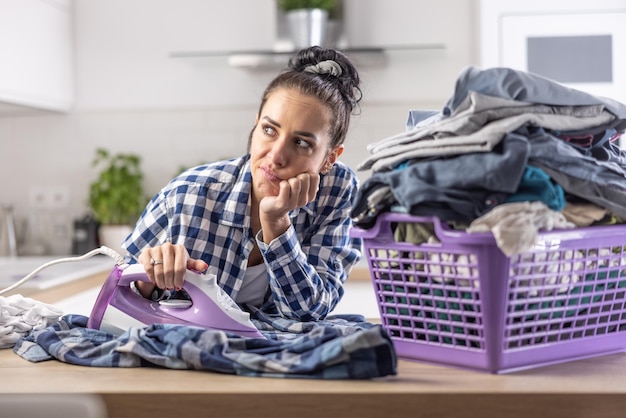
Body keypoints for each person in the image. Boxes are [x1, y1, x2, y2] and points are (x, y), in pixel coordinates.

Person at [122, 46, 364, 321]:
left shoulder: (336, 190)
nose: (276, 156)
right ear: (256, 124)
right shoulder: (184, 196)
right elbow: (117, 299)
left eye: (301, 143)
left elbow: (310, 312)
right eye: (269, 130)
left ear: (329, 158)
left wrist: (277, 224)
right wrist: (148, 280)